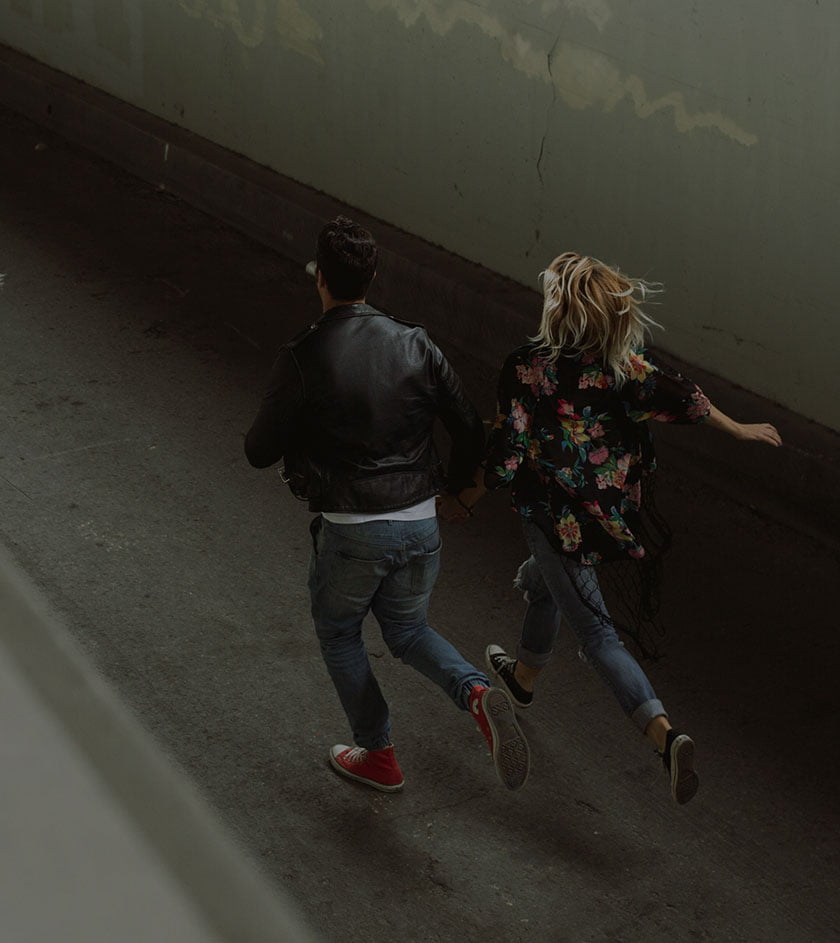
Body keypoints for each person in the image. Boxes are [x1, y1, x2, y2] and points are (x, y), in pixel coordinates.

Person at [465, 251, 781, 805]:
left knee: (597, 636)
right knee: (545, 583)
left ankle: (665, 737)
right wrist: (736, 428)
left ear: (558, 308)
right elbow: (685, 397)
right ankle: (522, 679)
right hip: (602, 516)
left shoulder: (527, 367)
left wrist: (461, 499)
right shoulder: (624, 366)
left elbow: (507, 456)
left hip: (553, 517)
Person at [244, 218, 528, 794]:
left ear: (320, 279)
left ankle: (377, 754)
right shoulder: (416, 342)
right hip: (420, 522)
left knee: (339, 631)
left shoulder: (304, 353)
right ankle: (476, 691)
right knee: (407, 629)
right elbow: (468, 427)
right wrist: (455, 492)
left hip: (351, 528)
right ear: (372, 278)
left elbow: (258, 450)